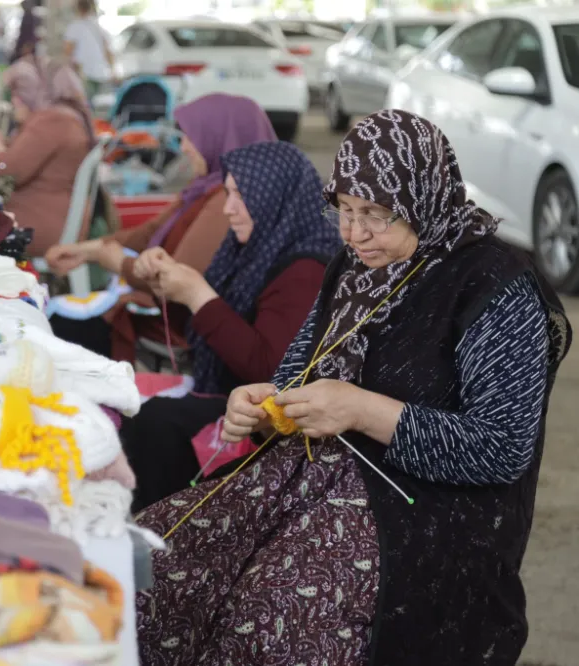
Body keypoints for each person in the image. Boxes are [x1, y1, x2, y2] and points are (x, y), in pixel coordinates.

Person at [134, 110, 572, 666]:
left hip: (425, 514)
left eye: (375, 215)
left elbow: (500, 449)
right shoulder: (353, 266)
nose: (353, 233)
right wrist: (266, 403)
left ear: (424, 198)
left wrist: (362, 410)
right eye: (343, 210)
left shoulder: (494, 286)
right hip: (308, 478)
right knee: (157, 566)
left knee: (269, 620)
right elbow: (300, 373)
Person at [117, 141, 341, 511]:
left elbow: (270, 370)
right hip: (233, 398)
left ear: (273, 197)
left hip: (265, 422)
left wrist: (196, 295)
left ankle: (156, 535)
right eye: (228, 194)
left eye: (241, 196)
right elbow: (214, 325)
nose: (228, 209)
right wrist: (167, 280)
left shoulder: (305, 269)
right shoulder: (257, 245)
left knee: (155, 422)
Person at [45, 93, 278, 362]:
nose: (185, 148)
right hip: (165, 310)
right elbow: (148, 233)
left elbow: (177, 279)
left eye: (192, 137)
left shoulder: (226, 200)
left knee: (58, 332)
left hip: (181, 327)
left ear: (221, 138)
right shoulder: (202, 188)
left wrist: (116, 262)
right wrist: (88, 250)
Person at [0, 57, 94, 256]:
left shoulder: (51, 121)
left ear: (38, 88)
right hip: (56, 219)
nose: (14, 100)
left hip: (37, 225)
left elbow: (7, 172)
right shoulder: (69, 117)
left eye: (19, 92)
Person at [63, 0, 115, 99]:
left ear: (78, 8)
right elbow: (108, 51)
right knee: (99, 105)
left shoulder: (75, 27)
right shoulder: (100, 27)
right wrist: (113, 70)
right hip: (102, 74)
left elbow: (68, 51)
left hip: (84, 74)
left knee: (85, 105)